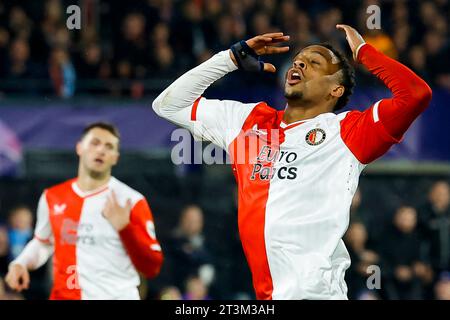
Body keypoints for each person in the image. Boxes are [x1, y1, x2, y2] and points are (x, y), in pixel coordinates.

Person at [152, 25, 432, 299]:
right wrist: (230, 59)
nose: (299, 65)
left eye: (314, 62)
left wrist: (364, 52)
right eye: (298, 60)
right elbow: (168, 105)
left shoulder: (349, 132)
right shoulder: (246, 122)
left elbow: (415, 94)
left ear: (336, 90)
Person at [5, 122, 164, 300]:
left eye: (109, 146)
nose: (101, 150)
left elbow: (152, 267)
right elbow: (43, 243)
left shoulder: (131, 201)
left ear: (115, 157)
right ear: (79, 148)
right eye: (95, 143)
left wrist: (125, 228)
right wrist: (21, 263)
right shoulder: (53, 197)